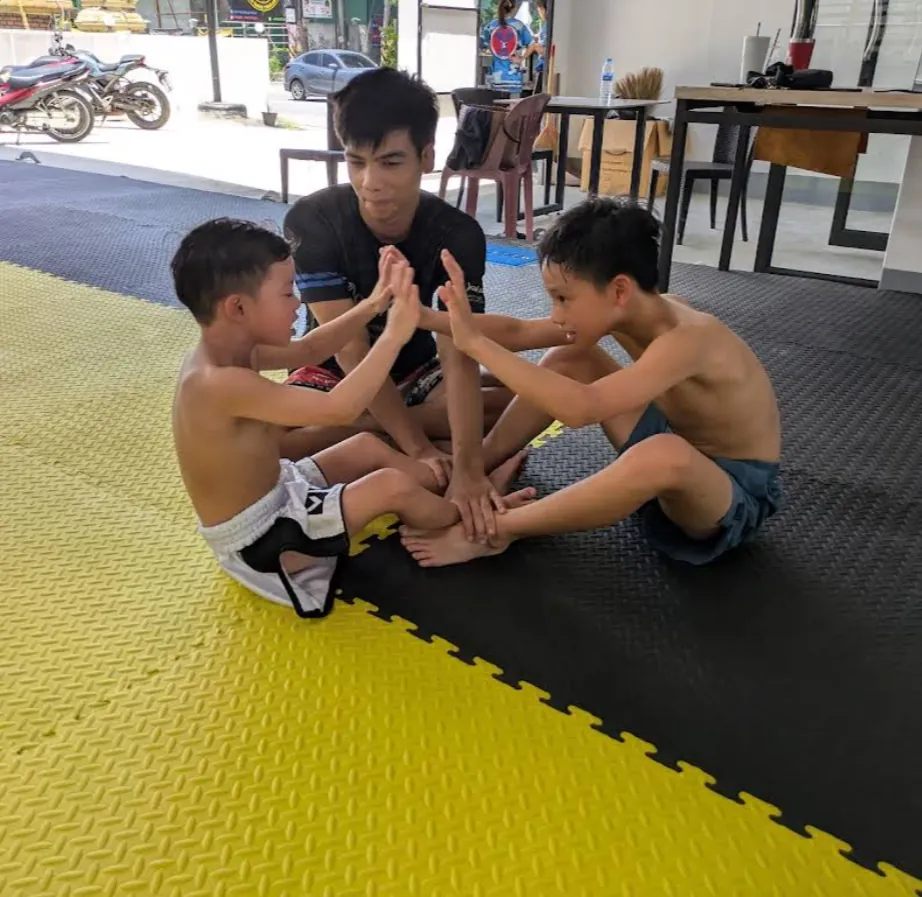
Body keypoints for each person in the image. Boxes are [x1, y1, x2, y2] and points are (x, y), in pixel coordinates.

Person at [170, 218, 530, 618]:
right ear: (238, 307)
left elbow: (307, 350)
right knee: (389, 486)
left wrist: (376, 301)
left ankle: (456, 486)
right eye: (288, 293)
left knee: (365, 447)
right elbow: (339, 408)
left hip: (278, 493)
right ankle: (473, 522)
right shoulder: (218, 383)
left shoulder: (230, 350)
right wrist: (393, 335)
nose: (297, 303)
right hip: (264, 540)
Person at [402, 197, 784, 567]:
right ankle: (475, 470)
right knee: (571, 359)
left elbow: (582, 408)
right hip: (673, 444)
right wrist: (428, 318)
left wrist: (475, 345)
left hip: (730, 493)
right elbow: (519, 331)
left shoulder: (690, 338)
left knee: (665, 452)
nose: (557, 313)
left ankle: (494, 531)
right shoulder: (630, 310)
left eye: (563, 298)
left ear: (619, 290)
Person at [282, 67, 516, 545]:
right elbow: (349, 351)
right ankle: (407, 445)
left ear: (426, 157)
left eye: (390, 163)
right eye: (356, 162)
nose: (371, 183)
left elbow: (458, 348)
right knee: (267, 440)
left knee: (520, 397)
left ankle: (381, 444)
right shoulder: (314, 220)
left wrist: (468, 468)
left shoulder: (457, 233)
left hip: (416, 373)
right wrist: (418, 447)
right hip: (336, 379)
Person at [481, 0, 533, 93]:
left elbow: (482, 44)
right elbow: (532, 44)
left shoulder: (491, 26)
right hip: (513, 77)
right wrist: (521, 58)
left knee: (496, 105)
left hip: (495, 75)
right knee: (514, 105)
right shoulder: (519, 26)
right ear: (514, 8)